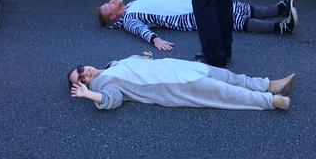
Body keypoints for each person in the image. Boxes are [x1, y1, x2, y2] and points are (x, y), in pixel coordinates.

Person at [97, 0, 298, 50]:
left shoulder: (130, 4)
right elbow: (141, 31)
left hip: (185, 3)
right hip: (187, 16)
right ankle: (280, 27)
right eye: (110, 6)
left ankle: (279, 8)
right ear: (114, 16)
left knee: (235, 7)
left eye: (111, 1)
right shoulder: (129, 20)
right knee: (232, 19)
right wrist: (156, 40)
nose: (112, 1)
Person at [68, 55, 296, 111]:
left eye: (80, 70)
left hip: (175, 66)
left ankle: (268, 84)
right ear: (85, 84)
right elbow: (111, 100)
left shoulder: (112, 65)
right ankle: (271, 101)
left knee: (224, 76)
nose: (84, 74)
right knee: (222, 92)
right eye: (81, 79)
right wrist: (89, 94)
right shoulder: (105, 85)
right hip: (170, 84)